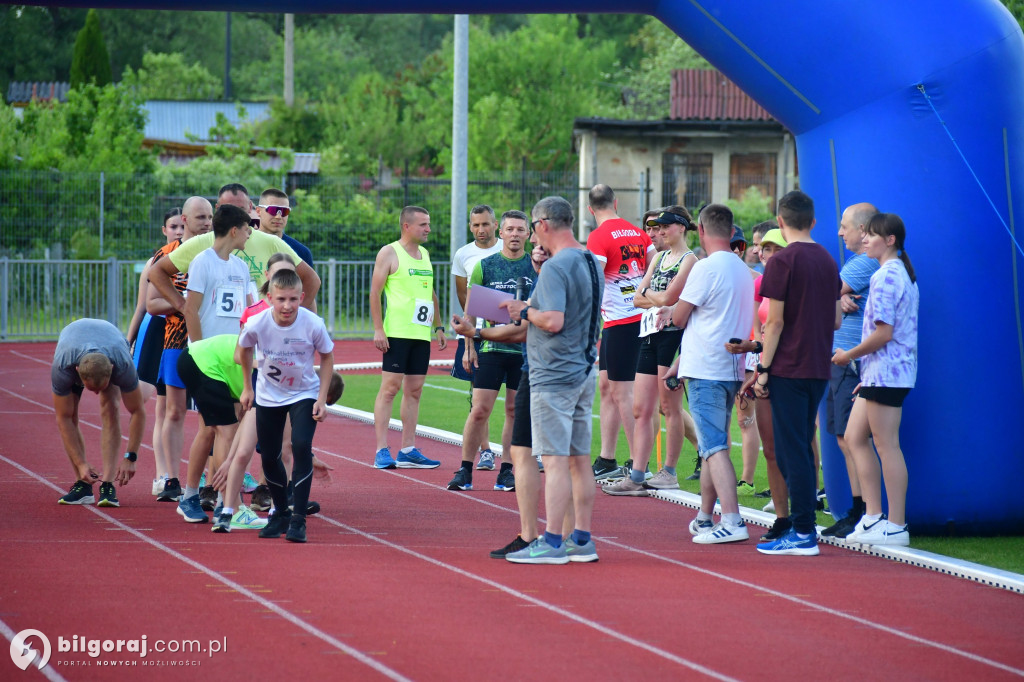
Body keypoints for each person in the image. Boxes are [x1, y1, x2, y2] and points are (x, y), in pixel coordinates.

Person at [502, 196, 603, 565]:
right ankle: (582, 539)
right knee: (579, 459)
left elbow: (553, 320)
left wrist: (523, 309)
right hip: (582, 369)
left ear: (543, 224)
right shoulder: (591, 260)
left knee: (557, 461)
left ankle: (553, 542)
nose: (531, 235)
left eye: (532, 226)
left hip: (554, 373)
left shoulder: (556, 267)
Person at [754, 190, 842, 556]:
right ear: (814, 221)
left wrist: (762, 370)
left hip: (789, 366)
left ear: (780, 222)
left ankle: (804, 530)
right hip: (818, 366)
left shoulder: (782, 261)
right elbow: (837, 318)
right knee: (802, 446)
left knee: (792, 451)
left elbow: (773, 323)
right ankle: (802, 525)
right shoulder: (827, 259)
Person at [659, 204, 753, 544]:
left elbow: (682, 317)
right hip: (727, 369)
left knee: (713, 447)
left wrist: (669, 310)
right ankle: (705, 515)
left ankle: (731, 519)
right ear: (731, 232)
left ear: (700, 230)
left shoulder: (706, 268)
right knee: (713, 447)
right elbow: (708, 321)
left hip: (708, 371)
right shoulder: (743, 270)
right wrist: (681, 361)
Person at [833, 212, 919, 546]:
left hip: (889, 373)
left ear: (890, 240)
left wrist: (848, 355)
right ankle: (872, 517)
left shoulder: (888, 276)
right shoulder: (893, 273)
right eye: (864, 234)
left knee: (887, 445)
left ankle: (896, 524)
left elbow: (884, 333)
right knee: (855, 438)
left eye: (871, 235)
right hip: (879, 373)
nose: (864, 240)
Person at [603, 207, 699, 495]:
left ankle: (669, 472)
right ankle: (637, 474)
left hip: (673, 338)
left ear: (681, 228)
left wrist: (653, 298)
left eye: (666, 226)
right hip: (649, 335)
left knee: (671, 407)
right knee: (641, 408)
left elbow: (670, 297)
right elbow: (635, 298)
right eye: (658, 227)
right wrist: (656, 300)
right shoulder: (657, 257)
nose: (660, 231)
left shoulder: (689, 260)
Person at [237, 268, 336, 543]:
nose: (287, 306)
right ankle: (280, 512)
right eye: (281, 299)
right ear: (269, 297)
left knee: (301, 446)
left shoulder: (312, 323)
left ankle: (298, 519)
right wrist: (247, 386)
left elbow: (327, 357)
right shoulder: (257, 323)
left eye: (293, 299)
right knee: (269, 456)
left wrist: (321, 398)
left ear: (302, 297)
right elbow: (243, 349)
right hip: (268, 395)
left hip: (303, 393)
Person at [174, 204, 255, 523]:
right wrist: (200, 347)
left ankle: (203, 496)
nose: (250, 234)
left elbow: (247, 312)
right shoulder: (203, 262)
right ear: (234, 230)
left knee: (217, 431)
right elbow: (190, 309)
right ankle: (220, 502)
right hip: (208, 360)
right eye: (248, 229)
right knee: (219, 431)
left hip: (233, 359)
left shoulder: (240, 266)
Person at [448, 210, 534, 492]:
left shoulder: (537, 267)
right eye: (510, 229)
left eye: (520, 230)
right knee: (479, 410)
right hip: (491, 348)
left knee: (513, 410)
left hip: (524, 352)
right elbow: (471, 313)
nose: (514, 235)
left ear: (528, 234)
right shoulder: (485, 266)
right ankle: (464, 469)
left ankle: (507, 470)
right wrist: (468, 348)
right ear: (502, 233)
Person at [585, 184, 655, 480]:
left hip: (621, 321)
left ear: (590, 209)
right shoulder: (638, 233)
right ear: (615, 202)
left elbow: (593, 278)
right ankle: (607, 458)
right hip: (636, 316)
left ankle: (638, 463)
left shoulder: (597, 236)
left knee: (623, 393)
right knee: (606, 387)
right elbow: (654, 267)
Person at [369, 206, 447, 469]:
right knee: (390, 389)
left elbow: (430, 293)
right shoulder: (389, 252)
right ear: (406, 226)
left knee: (414, 391)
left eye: (428, 224)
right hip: (397, 333)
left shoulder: (424, 253)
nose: (428, 229)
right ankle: (381, 449)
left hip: (420, 335)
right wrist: (379, 329)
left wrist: (438, 326)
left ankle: (408, 448)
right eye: (423, 224)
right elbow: (375, 292)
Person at [147, 196, 214, 504]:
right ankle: (171, 478)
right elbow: (151, 303)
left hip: (211, 341)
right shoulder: (167, 255)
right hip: (176, 339)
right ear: (184, 220)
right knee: (174, 411)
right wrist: (184, 302)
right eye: (201, 217)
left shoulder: (216, 251)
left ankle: (211, 479)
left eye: (210, 217)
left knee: (212, 412)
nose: (207, 223)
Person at [728, 227, 793, 541]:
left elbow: (781, 326)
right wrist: (755, 367)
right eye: (760, 248)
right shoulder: (760, 283)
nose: (762, 253)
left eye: (769, 248)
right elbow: (759, 331)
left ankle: (806, 505)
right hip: (764, 366)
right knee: (766, 438)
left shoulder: (794, 282)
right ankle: (782, 509)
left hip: (791, 369)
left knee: (800, 437)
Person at [820, 202, 880, 538]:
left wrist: (834, 297)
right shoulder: (858, 264)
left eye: (845, 226)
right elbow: (832, 294)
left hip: (850, 361)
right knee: (844, 438)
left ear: (863, 229)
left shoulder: (863, 262)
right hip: (841, 359)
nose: (840, 232)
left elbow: (823, 292)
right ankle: (859, 510)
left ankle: (863, 512)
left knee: (851, 438)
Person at [52, 319, 146, 507]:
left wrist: (131, 457)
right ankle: (83, 483)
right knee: (70, 414)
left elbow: (138, 411)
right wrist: (81, 464)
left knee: (110, 406)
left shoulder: (122, 364)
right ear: (77, 372)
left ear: (111, 371)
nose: (94, 393)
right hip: (73, 343)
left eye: (99, 388)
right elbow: (63, 418)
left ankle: (108, 484)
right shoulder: (63, 366)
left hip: (111, 341)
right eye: (90, 389)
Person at [126, 207, 184, 495]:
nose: (178, 231)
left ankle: (169, 476)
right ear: (165, 230)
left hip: (183, 333)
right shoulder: (157, 261)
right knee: (156, 402)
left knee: (174, 407)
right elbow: (142, 306)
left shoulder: (199, 256)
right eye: (172, 226)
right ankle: (161, 474)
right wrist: (129, 340)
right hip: (159, 330)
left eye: (180, 226)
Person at [450, 204, 502, 461]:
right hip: (477, 334)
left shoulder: (508, 248)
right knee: (479, 396)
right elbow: (464, 298)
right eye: (476, 225)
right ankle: (486, 451)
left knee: (518, 395)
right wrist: (471, 335)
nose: (481, 229)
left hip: (510, 334)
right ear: (470, 226)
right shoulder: (463, 254)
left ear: (495, 225)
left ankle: (528, 451)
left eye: (485, 224)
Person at [728, 225, 761, 494]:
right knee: (729, 419)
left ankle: (747, 480)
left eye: (733, 247)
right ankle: (719, 472)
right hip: (726, 353)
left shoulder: (756, 279)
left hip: (751, 352)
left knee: (745, 418)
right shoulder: (712, 273)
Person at [256, 187, 314, 269]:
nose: (278, 216)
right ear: (258, 211)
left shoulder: (301, 252)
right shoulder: (244, 245)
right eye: (273, 210)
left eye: (284, 211)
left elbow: (310, 281)